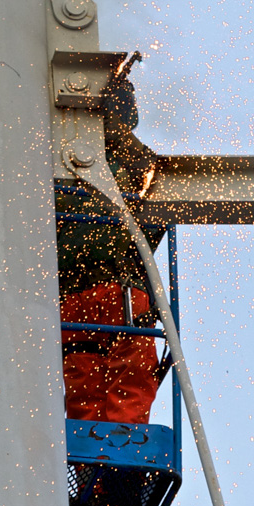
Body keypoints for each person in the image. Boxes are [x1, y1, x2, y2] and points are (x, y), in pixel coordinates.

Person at [56, 65, 165, 424]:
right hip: (114, 290)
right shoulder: (129, 164)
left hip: (81, 292)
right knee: (123, 372)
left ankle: (102, 450)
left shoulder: (61, 159)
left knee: (85, 376)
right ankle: (120, 448)